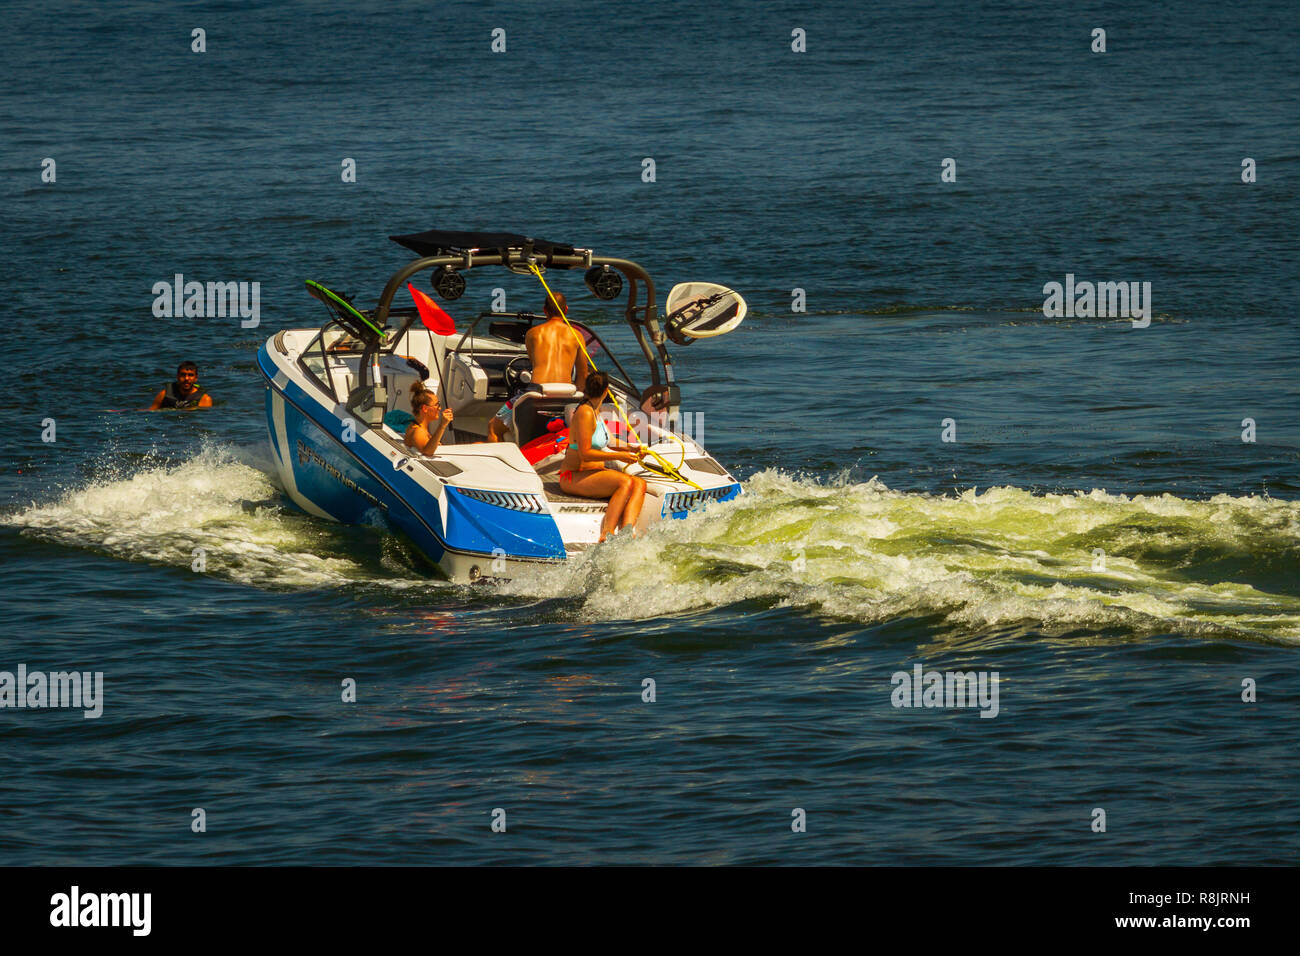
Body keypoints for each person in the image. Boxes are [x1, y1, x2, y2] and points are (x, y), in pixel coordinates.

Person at [487, 291, 590, 443]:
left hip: (537, 392)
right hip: (567, 393)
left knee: (493, 427)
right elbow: (583, 374)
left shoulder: (533, 334)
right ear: (566, 309)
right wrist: (579, 402)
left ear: (544, 310)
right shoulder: (577, 335)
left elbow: (535, 363)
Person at [557, 371, 647, 542]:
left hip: (594, 474)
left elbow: (610, 441)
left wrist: (633, 448)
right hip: (572, 477)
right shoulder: (585, 412)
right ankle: (607, 533)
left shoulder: (596, 410)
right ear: (607, 391)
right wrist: (621, 457)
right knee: (625, 482)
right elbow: (585, 453)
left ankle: (627, 531)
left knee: (640, 484)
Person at [404, 382, 454, 454]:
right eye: (437, 405)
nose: (439, 408)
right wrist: (442, 425)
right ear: (425, 408)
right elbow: (427, 452)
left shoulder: (416, 426)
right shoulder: (418, 431)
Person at [148, 361, 212, 410]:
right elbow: (151, 411)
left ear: (196, 378)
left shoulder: (204, 399)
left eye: (190, 375)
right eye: (183, 375)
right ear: (177, 376)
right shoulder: (164, 394)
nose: (186, 378)